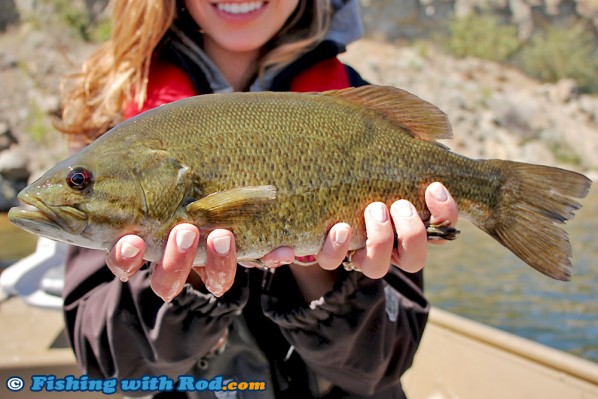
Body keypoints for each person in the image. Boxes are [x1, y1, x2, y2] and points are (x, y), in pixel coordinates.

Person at [58, 1, 459, 398]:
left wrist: (326, 276)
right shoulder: (117, 121)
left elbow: (383, 365)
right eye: (79, 181)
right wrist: (188, 282)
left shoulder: (361, 112)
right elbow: (111, 365)